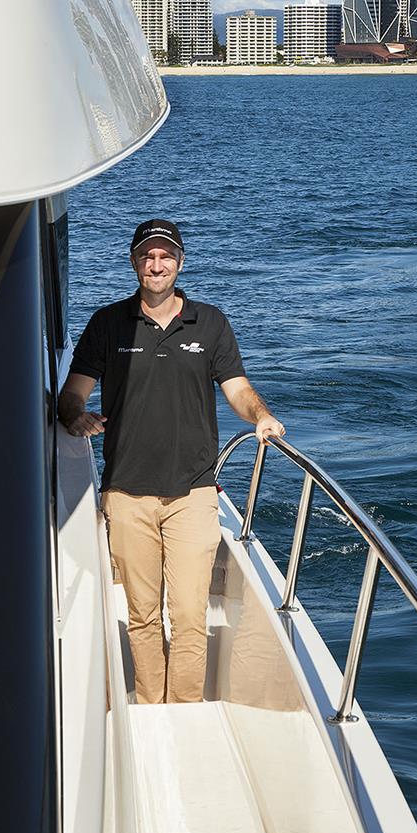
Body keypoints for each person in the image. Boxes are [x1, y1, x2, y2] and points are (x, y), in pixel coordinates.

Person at [58, 218, 285, 704]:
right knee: (142, 615)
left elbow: (238, 390)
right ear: (134, 262)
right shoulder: (107, 324)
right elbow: (71, 394)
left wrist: (261, 417)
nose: (155, 265)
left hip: (193, 491)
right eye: (147, 256)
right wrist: (76, 417)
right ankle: (151, 708)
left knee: (187, 615)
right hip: (126, 491)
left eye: (165, 256)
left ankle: (184, 712)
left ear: (179, 263)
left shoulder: (211, 322)